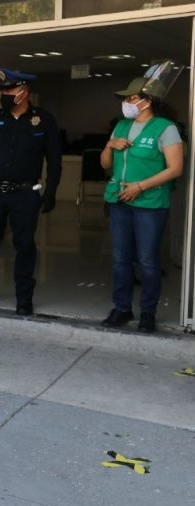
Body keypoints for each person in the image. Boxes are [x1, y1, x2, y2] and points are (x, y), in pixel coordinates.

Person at [0, 68, 62, 316]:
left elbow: (54, 160)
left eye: (10, 90)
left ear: (24, 92)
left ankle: (24, 298)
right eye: (4, 91)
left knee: (24, 246)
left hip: (25, 194)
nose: (6, 95)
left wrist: (51, 191)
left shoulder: (43, 120)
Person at [100, 77, 184, 333]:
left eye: (132, 98)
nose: (127, 102)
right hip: (119, 202)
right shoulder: (121, 126)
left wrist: (140, 186)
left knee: (147, 261)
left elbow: (175, 169)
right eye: (126, 98)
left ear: (148, 101)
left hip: (150, 203)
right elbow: (106, 165)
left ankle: (148, 312)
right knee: (121, 260)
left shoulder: (165, 128)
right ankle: (122, 308)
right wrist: (109, 145)